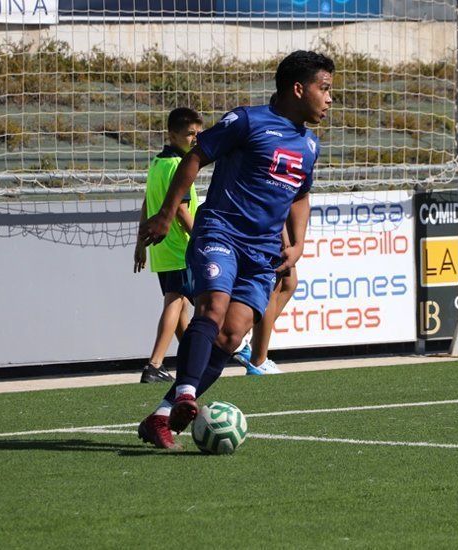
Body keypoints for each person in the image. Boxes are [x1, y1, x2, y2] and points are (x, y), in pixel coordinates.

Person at [136, 50, 335, 449]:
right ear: (299, 89)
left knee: (230, 336)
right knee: (212, 306)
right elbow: (194, 157)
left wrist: (297, 245)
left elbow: (300, 197)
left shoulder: (309, 146)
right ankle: (188, 394)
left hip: (263, 253)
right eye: (324, 89)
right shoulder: (247, 121)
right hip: (220, 232)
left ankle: (160, 416)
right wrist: (165, 212)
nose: (330, 99)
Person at [134, 107, 202, 383]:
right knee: (176, 301)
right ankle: (155, 363)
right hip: (179, 245)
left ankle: (190, 362)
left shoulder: (157, 164)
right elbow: (183, 211)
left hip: (161, 247)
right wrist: (201, 239)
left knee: (179, 304)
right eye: (189, 134)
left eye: (198, 134)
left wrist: (140, 243)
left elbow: (146, 204)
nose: (195, 139)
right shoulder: (178, 166)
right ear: (172, 135)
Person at [230, 225, 298, 375]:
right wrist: (284, 236)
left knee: (290, 283)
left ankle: (250, 347)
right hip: (269, 227)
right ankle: (257, 360)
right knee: (273, 287)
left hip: (276, 225)